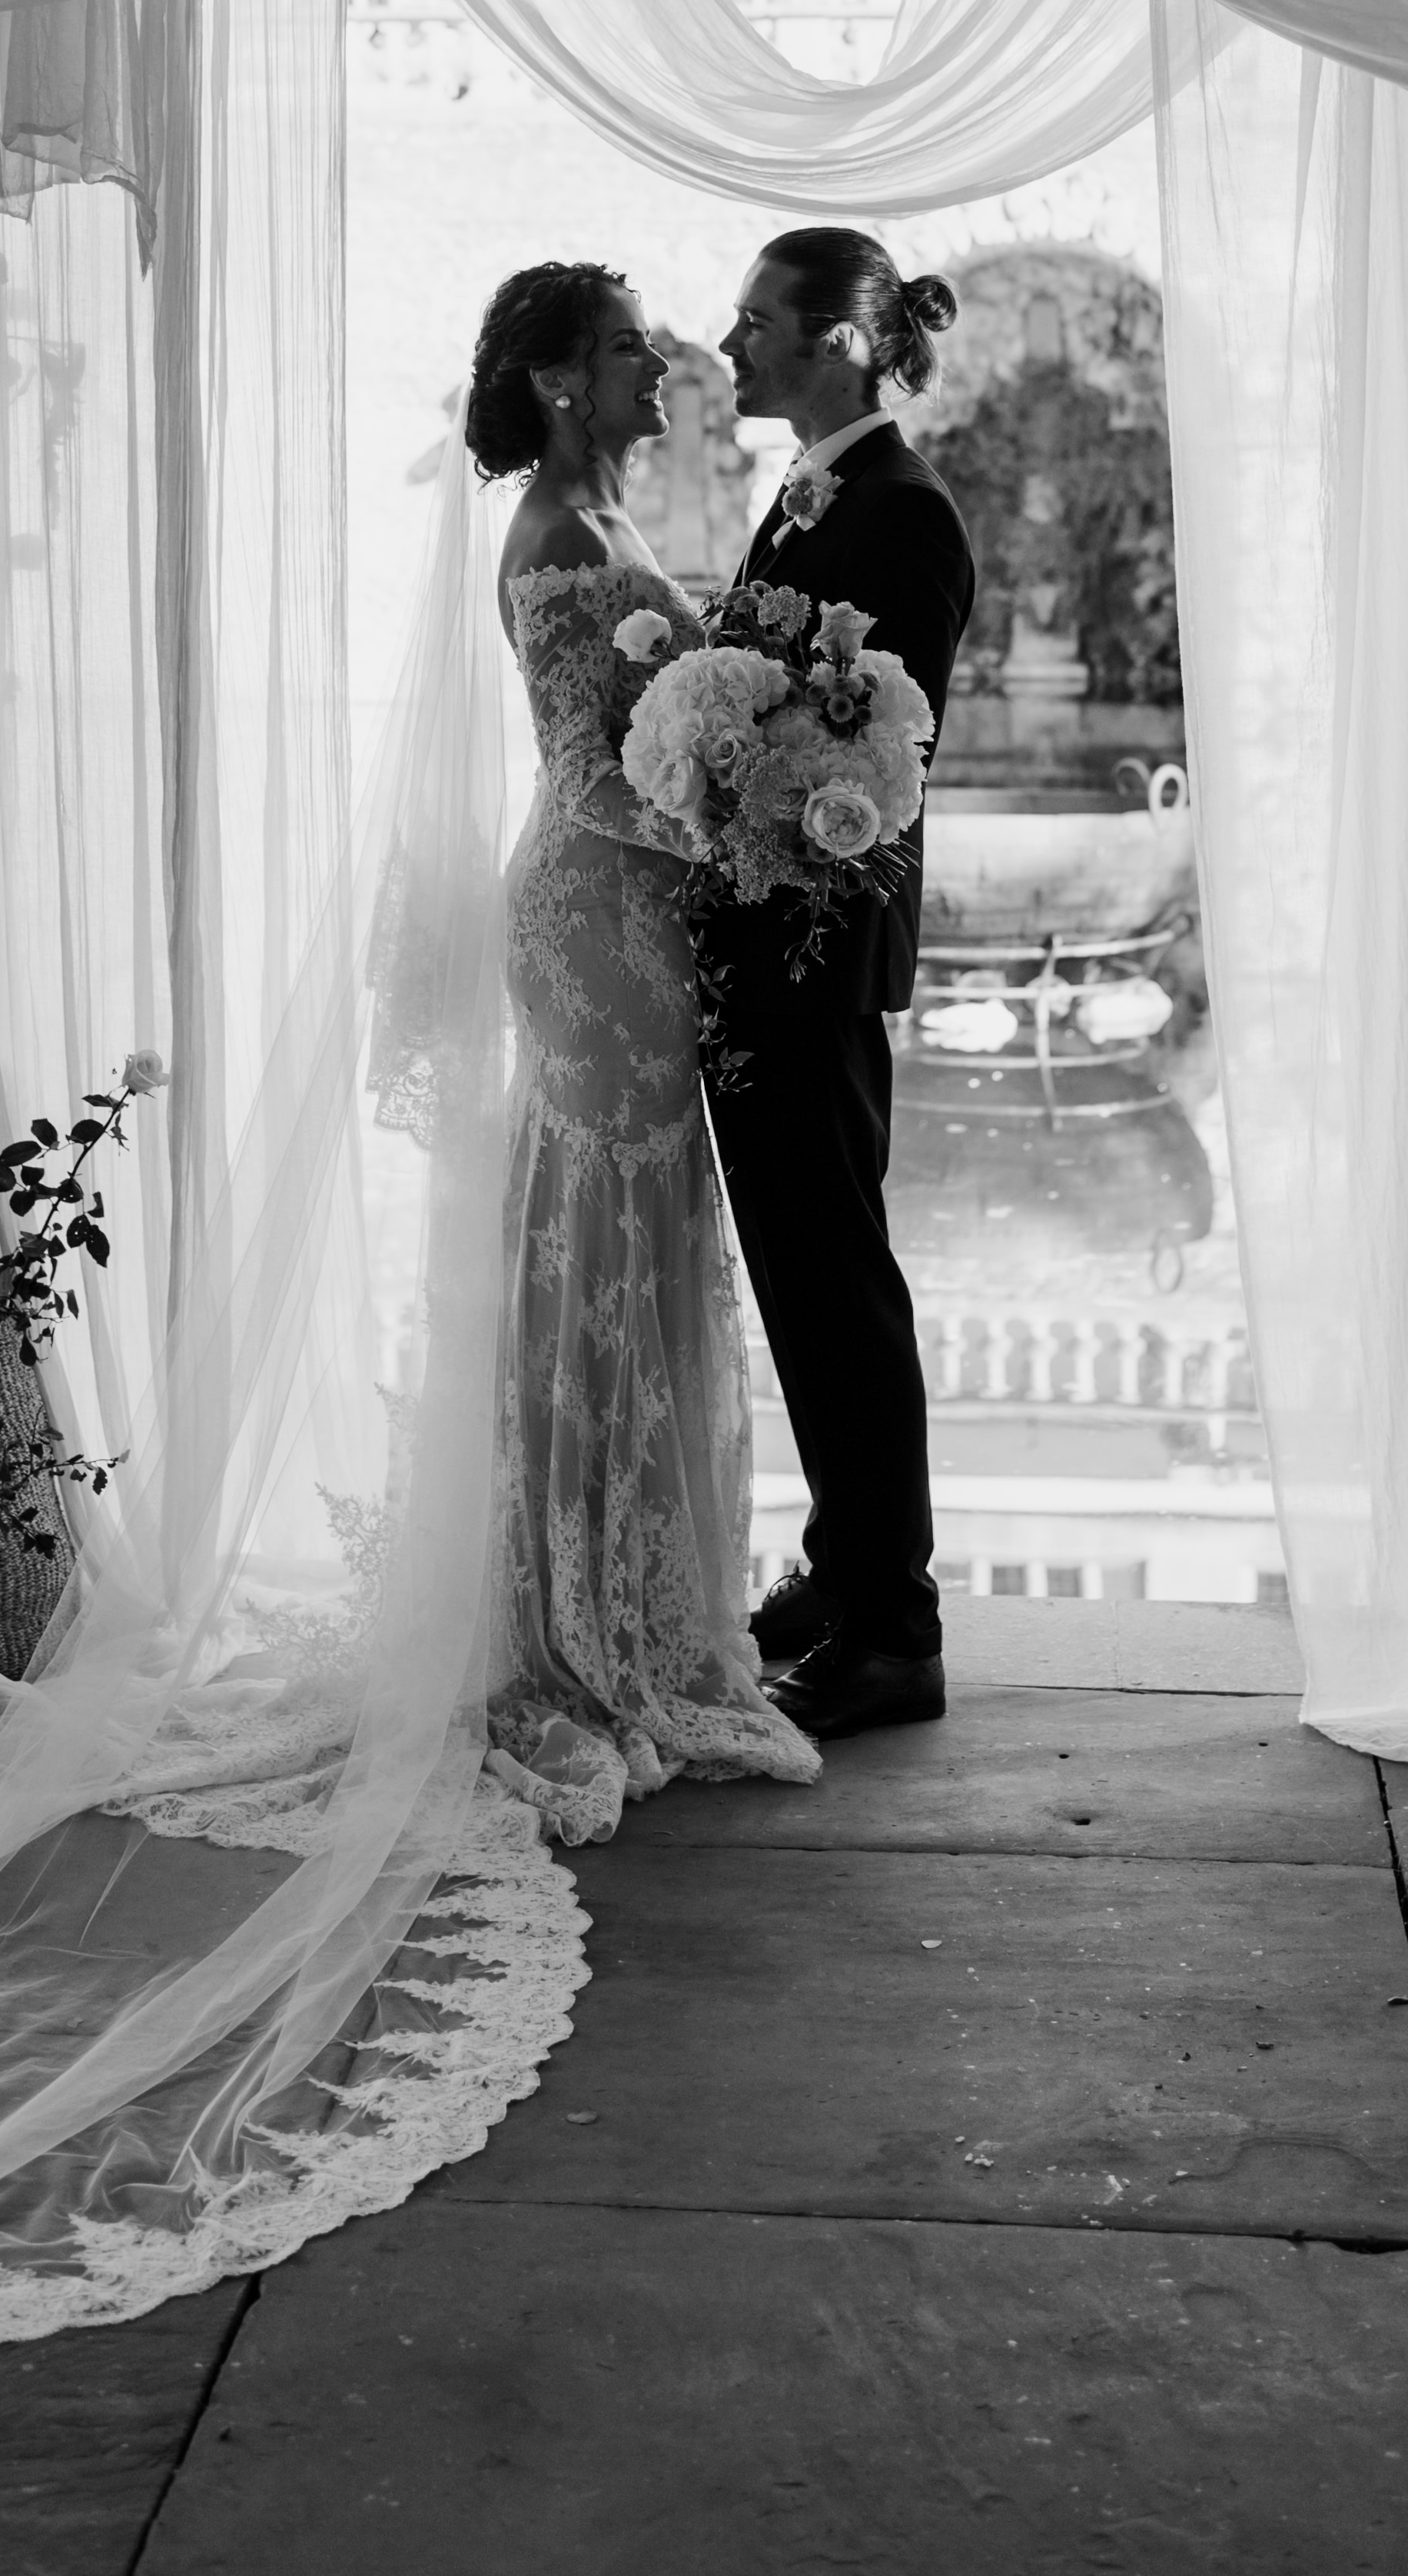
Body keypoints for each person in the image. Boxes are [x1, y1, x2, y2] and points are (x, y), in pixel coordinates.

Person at [470, 256, 818, 1843]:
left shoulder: (608, 515)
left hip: (642, 921)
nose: (653, 365)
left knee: (651, 1225)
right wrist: (745, 837)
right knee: (603, 1228)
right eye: (622, 348)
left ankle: (644, 1592)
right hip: (592, 924)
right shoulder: (554, 534)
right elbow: (589, 773)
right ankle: (582, 1622)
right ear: (558, 380)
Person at [712, 228, 975, 1743]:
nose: (729, 343)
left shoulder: (900, 510)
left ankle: (895, 1625)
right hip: (765, 942)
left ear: (840, 341)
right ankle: (842, 1560)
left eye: (757, 320)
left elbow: (882, 748)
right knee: (802, 1276)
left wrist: (726, 758)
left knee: (838, 1281)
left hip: (813, 947)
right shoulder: (816, 489)